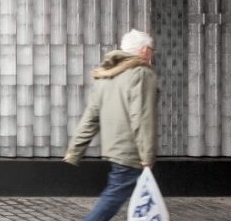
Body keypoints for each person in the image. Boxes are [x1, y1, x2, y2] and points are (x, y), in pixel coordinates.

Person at [63, 29, 159, 221]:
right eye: (151, 49)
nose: (152, 54)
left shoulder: (107, 76)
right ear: (143, 50)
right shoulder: (141, 73)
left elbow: (91, 117)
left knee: (130, 196)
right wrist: (147, 156)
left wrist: (75, 150)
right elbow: (142, 116)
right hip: (130, 150)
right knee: (113, 197)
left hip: (114, 149)